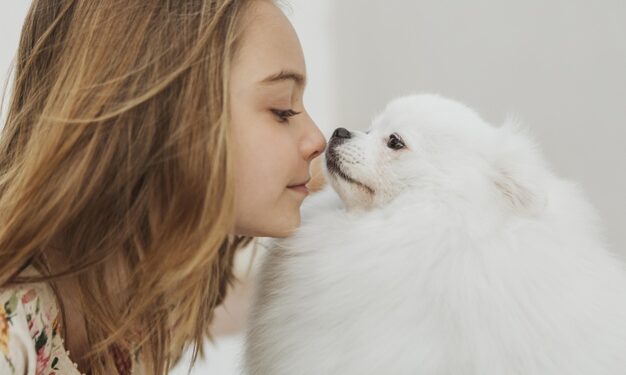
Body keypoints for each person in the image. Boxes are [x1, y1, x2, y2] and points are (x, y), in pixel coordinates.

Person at [0, 0, 326, 374]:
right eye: (282, 110)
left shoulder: (157, 269)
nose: (316, 139)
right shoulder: (10, 333)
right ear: (161, 114)